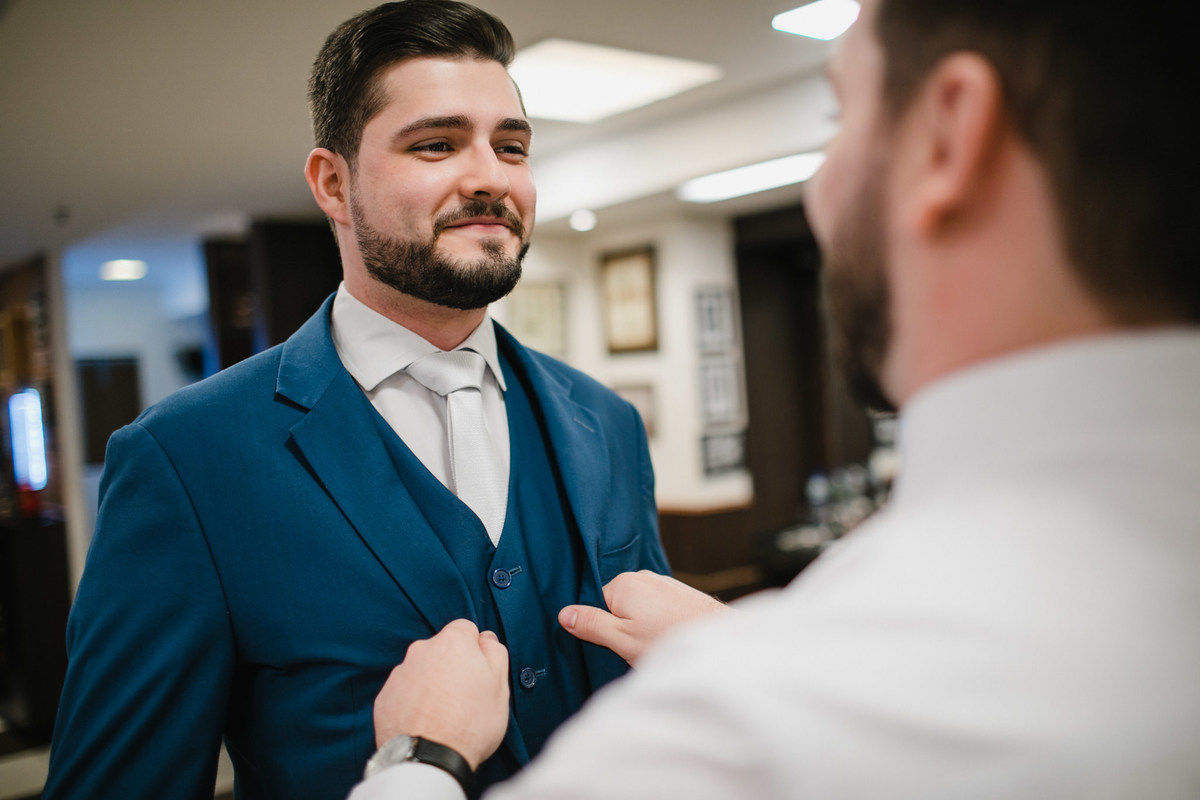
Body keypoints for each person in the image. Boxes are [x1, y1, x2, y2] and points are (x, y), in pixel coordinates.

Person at [349, 0, 1200, 796]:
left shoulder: (757, 719)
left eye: (841, 118)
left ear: (951, 134)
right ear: (331, 184)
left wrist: (418, 759)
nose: (821, 187)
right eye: (436, 145)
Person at [44, 2, 669, 798]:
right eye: (437, 144)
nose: (491, 176)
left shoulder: (607, 423)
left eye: (511, 146)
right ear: (333, 184)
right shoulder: (186, 459)